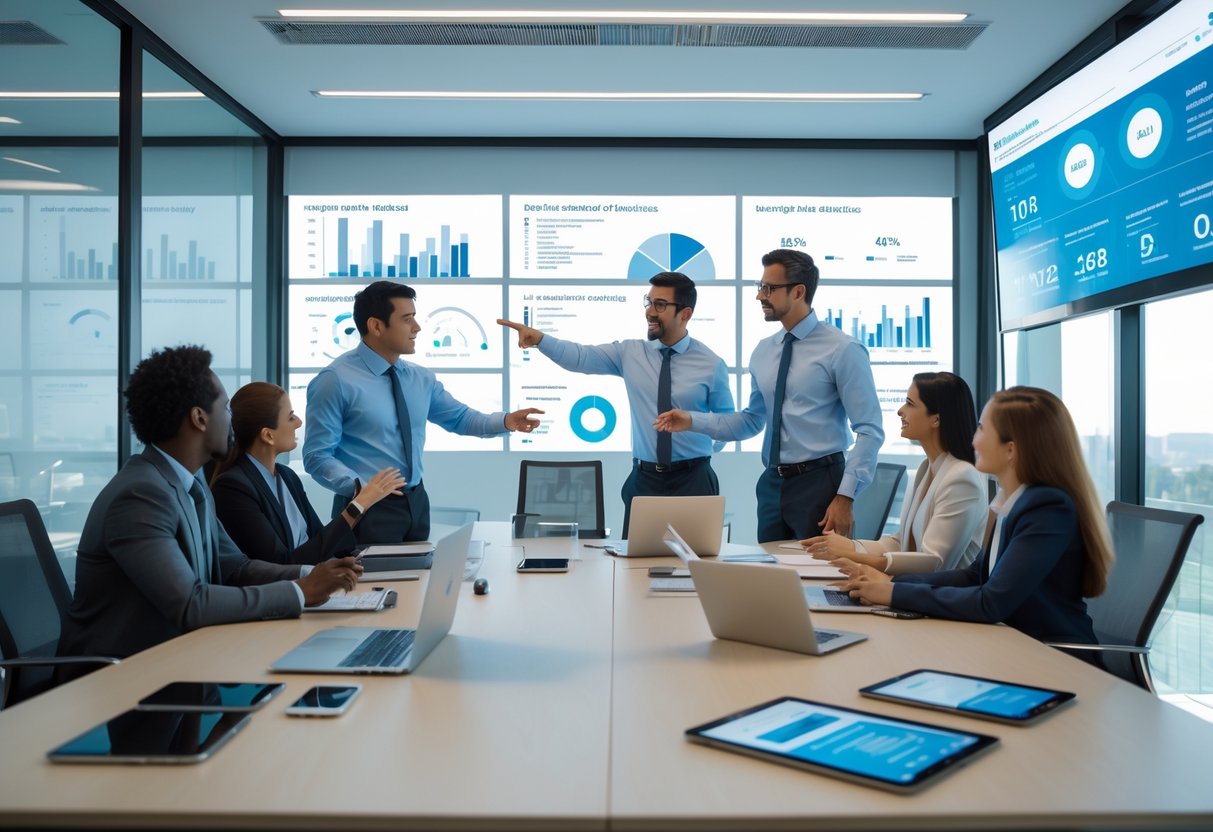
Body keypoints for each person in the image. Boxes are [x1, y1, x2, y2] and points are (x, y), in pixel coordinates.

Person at [58, 346, 361, 665]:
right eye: (226, 409)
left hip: (181, 663)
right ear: (199, 418)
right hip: (121, 682)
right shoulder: (141, 495)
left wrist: (312, 573)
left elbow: (237, 567)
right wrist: (301, 591)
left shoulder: (189, 483)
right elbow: (190, 604)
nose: (232, 421)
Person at [840, 386, 1115, 646]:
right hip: (1008, 642)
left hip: (1050, 655)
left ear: (1011, 449)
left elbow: (991, 602)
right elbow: (975, 576)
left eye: (982, 429)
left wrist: (892, 593)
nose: (974, 438)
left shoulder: (1047, 508)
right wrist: (892, 583)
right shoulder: (1012, 499)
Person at [654, 249, 883, 542]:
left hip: (822, 484)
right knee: (773, 580)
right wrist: (691, 420)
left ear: (798, 291)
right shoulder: (764, 350)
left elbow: (869, 429)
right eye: (760, 287)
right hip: (772, 484)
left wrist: (845, 496)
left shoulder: (843, 349)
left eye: (769, 288)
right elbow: (752, 421)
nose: (760, 296)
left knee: (825, 580)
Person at [304, 280, 543, 543]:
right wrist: (360, 488)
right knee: (366, 584)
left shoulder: (419, 378)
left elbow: (460, 419)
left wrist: (507, 421)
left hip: (416, 503)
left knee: (419, 581)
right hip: (364, 508)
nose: (417, 328)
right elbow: (317, 456)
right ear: (376, 326)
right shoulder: (334, 380)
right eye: (407, 319)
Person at [498, 272, 734, 535]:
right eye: (648, 302)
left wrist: (697, 455)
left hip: (694, 482)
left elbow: (726, 425)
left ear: (685, 314)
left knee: (696, 566)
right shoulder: (630, 353)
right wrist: (541, 339)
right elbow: (580, 357)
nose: (650, 312)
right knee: (635, 568)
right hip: (645, 481)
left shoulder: (711, 364)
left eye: (660, 305)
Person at [800, 372, 987, 574]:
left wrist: (850, 555)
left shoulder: (962, 478)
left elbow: (935, 563)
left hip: (938, 599)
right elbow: (900, 543)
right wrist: (850, 546)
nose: (900, 411)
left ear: (936, 419)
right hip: (915, 592)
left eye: (910, 404)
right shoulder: (927, 467)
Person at [210, 382, 406, 565]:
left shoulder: (287, 476)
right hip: (286, 596)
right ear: (268, 435)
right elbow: (282, 563)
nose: (299, 422)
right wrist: (360, 503)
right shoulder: (233, 488)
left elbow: (321, 541)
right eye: (290, 417)